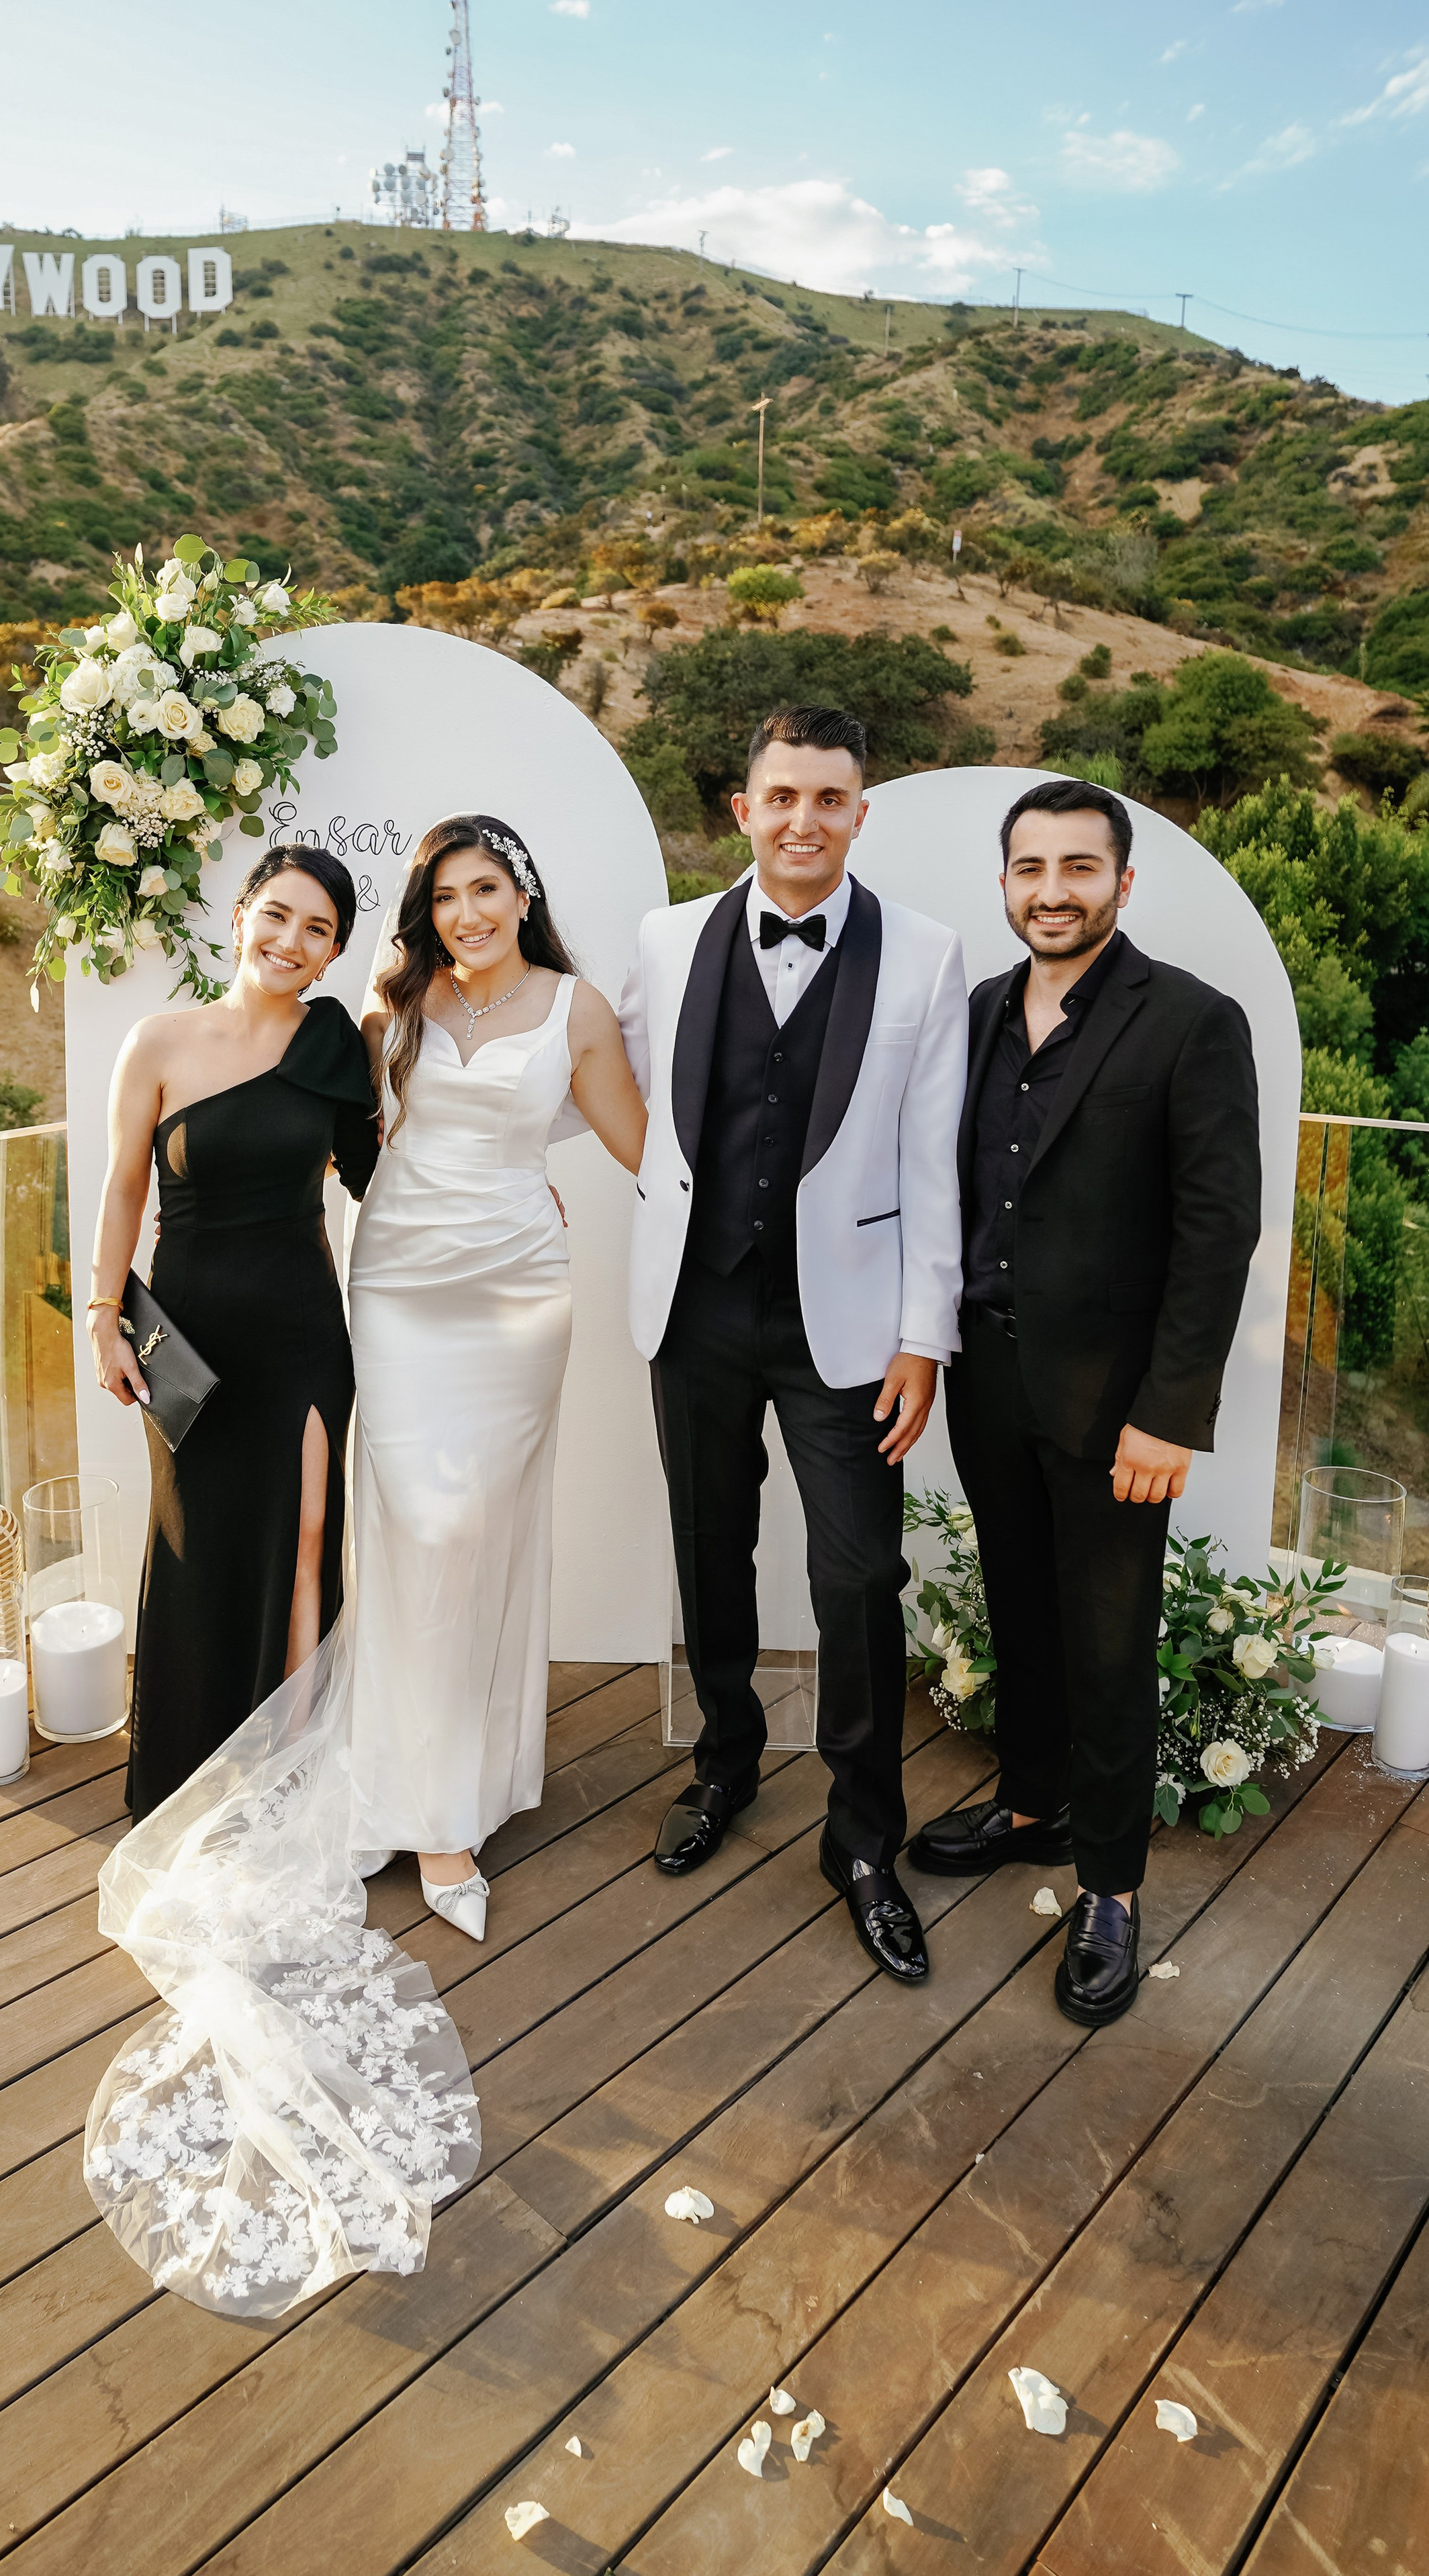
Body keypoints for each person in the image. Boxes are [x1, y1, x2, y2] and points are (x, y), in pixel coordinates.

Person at [620, 704, 966, 1986]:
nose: (805, 820)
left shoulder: (927, 956)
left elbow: (933, 1167)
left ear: (859, 813)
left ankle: (864, 1837)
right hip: (696, 1306)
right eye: (784, 797)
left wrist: (923, 1339)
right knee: (711, 1547)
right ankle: (725, 1762)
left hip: (852, 1323)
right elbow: (624, 1087)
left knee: (860, 1579)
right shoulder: (665, 940)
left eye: (831, 799)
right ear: (744, 811)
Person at [909, 777, 1262, 2027]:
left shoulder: (1191, 1022)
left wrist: (1171, 1412)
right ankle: (1030, 1804)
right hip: (988, 1375)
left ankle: (1110, 1886)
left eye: (1078, 868)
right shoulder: (979, 1014)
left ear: (1122, 880)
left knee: (1110, 1645)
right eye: (1030, 869)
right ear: (1005, 882)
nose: (1052, 890)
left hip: (1120, 1404)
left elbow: (1217, 1233)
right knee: (1018, 1604)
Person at [348, 813, 648, 1940]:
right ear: (424, 912)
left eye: (484, 890)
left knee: (474, 1529)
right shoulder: (394, 1007)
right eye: (443, 898)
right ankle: (396, 1786)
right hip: (397, 1286)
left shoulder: (578, 1009)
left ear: (522, 896)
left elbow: (640, 1142)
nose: (465, 915)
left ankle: (453, 1802)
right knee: (411, 1528)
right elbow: (357, 1140)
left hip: (517, 1290)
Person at [85, 841, 379, 1819]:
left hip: (302, 1330)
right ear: (242, 912)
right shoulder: (160, 1041)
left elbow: (378, 1172)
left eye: (319, 930)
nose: (292, 940)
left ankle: (285, 1770)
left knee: (305, 1536)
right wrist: (103, 1318)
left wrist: (501, 1185)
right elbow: (124, 1185)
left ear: (334, 954)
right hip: (190, 1340)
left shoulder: (335, 1046)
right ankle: (187, 1771)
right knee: (196, 1543)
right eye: (279, 914)